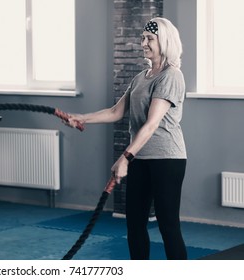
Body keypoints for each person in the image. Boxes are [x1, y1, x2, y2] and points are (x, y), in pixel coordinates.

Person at [66, 17, 187, 260]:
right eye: (143, 38)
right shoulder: (141, 77)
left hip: (167, 159)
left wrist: (124, 158)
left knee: (168, 225)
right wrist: (82, 117)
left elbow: (152, 124)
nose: (143, 43)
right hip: (140, 158)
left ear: (164, 42)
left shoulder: (171, 76)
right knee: (134, 224)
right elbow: (115, 112)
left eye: (149, 39)